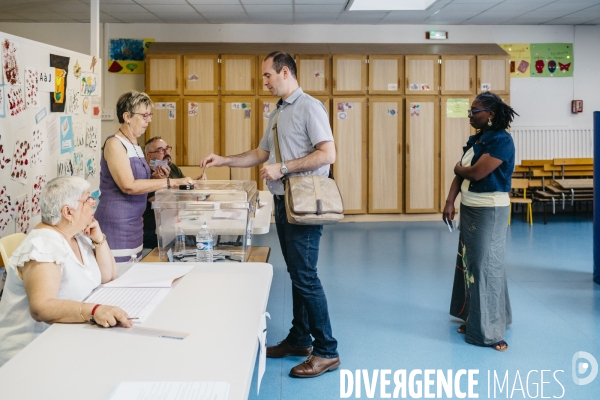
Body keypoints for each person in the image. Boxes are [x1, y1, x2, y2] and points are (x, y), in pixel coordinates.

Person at [200, 51, 340, 378]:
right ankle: (299, 339)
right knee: (296, 273)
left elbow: (327, 153)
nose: (264, 81)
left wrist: (284, 167)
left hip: (305, 202)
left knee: (305, 275)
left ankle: (327, 351)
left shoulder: (309, 107)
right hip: (283, 201)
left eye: (267, 75)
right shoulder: (278, 112)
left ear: (285, 72)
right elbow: (261, 153)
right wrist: (224, 160)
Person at [0, 176, 133, 367]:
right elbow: (41, 308)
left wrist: (98, 238)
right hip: (29, 354)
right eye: (88, 199)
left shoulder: (75, 235)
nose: (94, 202)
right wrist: (95, 311)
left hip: (65, 339)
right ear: (68, 212)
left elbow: (107, 275)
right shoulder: (43, 245)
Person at [443, 91, 519, 352]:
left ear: (491, 114)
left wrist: (458, 168)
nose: (471, 115)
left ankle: (491, 330)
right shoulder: (478, 139)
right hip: (470, 208)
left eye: (475, 111)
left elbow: (475, 172)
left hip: (491, 210)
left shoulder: (502, 141)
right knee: (470, 263)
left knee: (485, 265)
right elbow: (461, 177)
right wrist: (450, 201)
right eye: (470, 111)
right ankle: (475, 317)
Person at [94, 91, 194, 263]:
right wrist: (172, 182)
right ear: (127, 116)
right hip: (117, 223)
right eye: (144, 115)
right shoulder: (114, 143)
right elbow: (128, 186)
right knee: (118, 277)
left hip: (135, 223)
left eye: (150, 115)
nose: (149, 120)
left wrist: (155, 177)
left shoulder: (135, 145)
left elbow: (138, 180)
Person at [142, 136, 184, 249]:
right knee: (188, 239)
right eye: (161, 150)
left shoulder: (172, 167)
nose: (166, 152)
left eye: (167, 148)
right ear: (149, 156)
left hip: (172, 222)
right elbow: (165, 204)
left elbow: (184, 190)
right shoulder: (146, 175)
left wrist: (196, 182)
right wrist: (164, 181)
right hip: (153, 229)